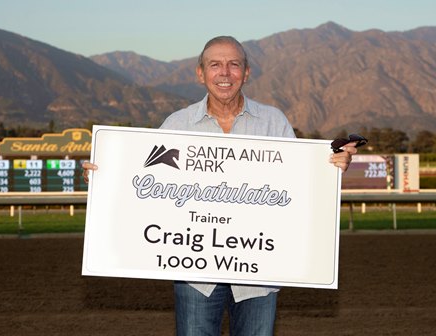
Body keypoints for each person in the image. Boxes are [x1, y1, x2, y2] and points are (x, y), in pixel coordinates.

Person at [82, 36, 358, 336]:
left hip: (260, 275)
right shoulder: (177, 124)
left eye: (233, 65)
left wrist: (332, 168)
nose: (224, 73)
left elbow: (299, 186)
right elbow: (141, 182)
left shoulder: (273, 122)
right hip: (195, 277)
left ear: (246, 72)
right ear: (200, 73)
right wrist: (106, 177)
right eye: (215, 65)